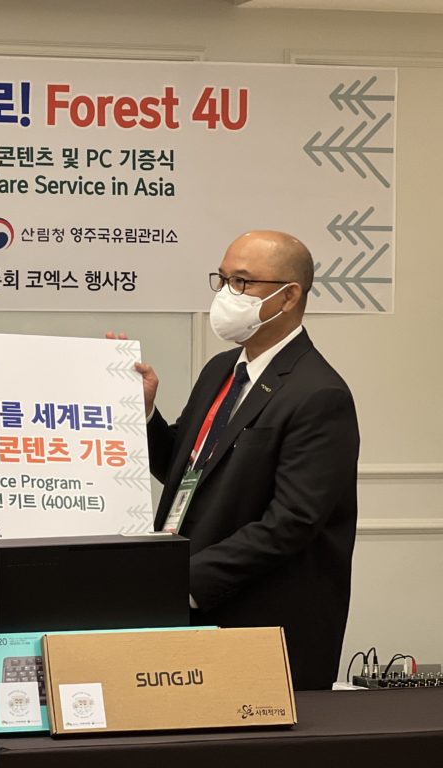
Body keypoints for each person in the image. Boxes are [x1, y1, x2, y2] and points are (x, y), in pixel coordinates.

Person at [137, 230, 359, 691]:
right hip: (189, 606)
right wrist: (146, 413)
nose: (226, 295)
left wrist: (185, 580)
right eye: (222, 280)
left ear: (289, 296)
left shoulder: (319, 393)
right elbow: (185, 469)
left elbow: (292, 521)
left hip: (259, 620)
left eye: (242, 282)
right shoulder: (221, 369)